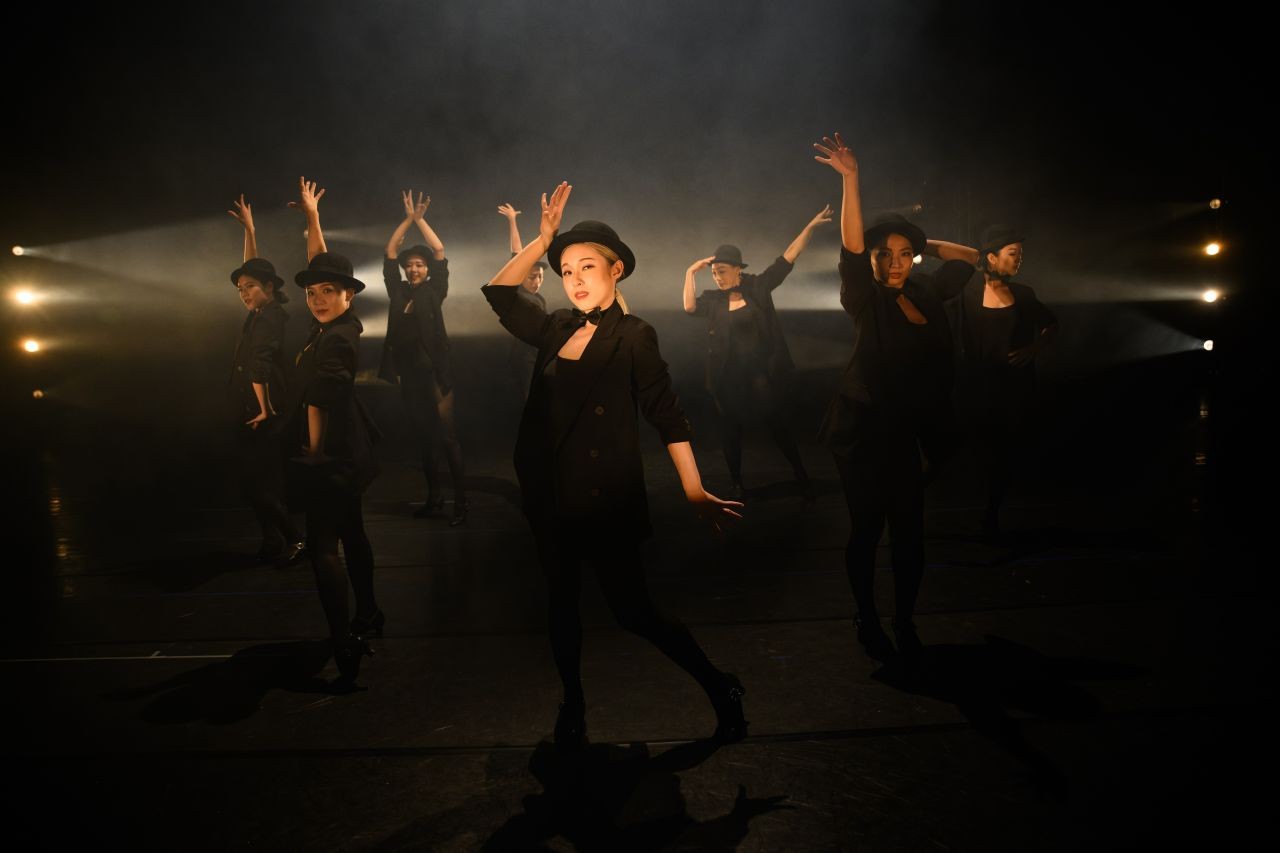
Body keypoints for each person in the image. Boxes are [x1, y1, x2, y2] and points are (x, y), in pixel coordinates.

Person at [481, 182, 747, 747]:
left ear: (616, 269)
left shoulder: (634, 335)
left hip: (604, 496)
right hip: (551, 494)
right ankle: (572, 703)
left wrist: (694, 489)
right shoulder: (555, 324)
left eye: (587, 267)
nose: (575, 279)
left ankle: (718, 683)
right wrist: (542, 241)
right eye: (566, 270)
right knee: (561, 604)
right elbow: (500, 292)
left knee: (634, 612)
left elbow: (668, 416)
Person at [812, 134, 954, 661]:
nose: (895, 263)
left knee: (911, 535)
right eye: (884, 254)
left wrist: (918, 242)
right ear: (870, 259)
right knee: (868, 529)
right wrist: (851, 180)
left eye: (904, 255)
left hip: (906, 432)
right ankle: (867, 616)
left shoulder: (923, 292)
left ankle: (905, 621)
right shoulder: (864, 297)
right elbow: (851, 248)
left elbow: (969, 259)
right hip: (862, 431)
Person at [284, 176, 382, 686]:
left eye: (329, 292)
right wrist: (313, 218)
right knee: (352, 531)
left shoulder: (338, 338)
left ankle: (343, 641)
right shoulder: (330, 325)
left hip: (334, 450)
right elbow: (320, 263)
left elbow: (321, 398)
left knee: (322, 546)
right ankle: (369, 612)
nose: (317, 299)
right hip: (348, 446)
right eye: (312, 292)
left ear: (349, 295)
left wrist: (316, 453)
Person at [682, 207, 831, 499]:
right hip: (727, 378)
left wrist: (810, 226)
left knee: (777, 424)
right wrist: (690, 272)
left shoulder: (759, 287)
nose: (717, 278)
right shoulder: (713, 299)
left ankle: (801, 475)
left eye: (722, 272)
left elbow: (788, 257)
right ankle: (737, 483)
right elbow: (689, 307)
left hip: (760, 373)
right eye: (713, 273)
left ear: (738, 269)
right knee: (730, 430)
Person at [922, 226, 1058, 538]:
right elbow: (958, 258)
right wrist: (917, 243)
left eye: (1020, 254)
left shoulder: (1023, 294)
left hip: (1012, 388)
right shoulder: (966, 290)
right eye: (1013, 253)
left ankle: (990, 517)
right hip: (972, 386)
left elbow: (1051, 324)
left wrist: (1033, 349)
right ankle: (907, 499)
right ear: (992, 258)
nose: (1019, 259)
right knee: (947, 448)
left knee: (1004, 454)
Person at [225, 194, 305, 567]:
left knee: (262, 483)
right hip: (253, 407)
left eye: (250, 287)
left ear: (269, 288)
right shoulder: (260, 310)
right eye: (240, 288)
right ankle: (273, 539)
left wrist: (263, 408)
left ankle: (294, 538)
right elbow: (252, 269)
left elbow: (262, 363)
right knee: (252, 482)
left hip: (266, 410)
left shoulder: (272, 317)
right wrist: (250, 231)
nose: (244, 293)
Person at [379, 191, 467, 524]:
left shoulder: (435, 289)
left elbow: (440, 250)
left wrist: (420, 220)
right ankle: (435, 498)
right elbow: (390, 251)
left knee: (447, 437)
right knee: (424, 439)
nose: (413, 268)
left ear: (427, 269)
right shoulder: (397, 290)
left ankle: (461, 504)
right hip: (410, 373)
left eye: (419, 264)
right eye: (410, 265)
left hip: (435, 373)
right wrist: (406, 220)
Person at [498, 202, 547, 402]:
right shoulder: (518, 293)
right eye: (532, 277)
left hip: (537, 355)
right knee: (529, 397)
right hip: (524, 358)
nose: (537, 282)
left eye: (540, 277)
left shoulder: (539, 298)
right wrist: (512, 221)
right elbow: (517, 255)